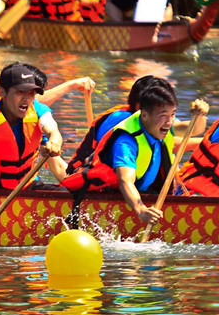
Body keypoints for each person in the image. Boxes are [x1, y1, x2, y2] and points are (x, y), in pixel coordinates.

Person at [61, 79, 209, 225]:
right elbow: (125, 180)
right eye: (164, 115)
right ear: (144, 113)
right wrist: (141, 209)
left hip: (143, 189)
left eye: (172, 114)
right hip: (109, 195)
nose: (170, 122)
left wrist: (199, 115)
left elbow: (193, 129)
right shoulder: (126, 139)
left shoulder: (158, 122)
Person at [0, 62, 64, 242]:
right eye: (20, 92)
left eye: (31, 93)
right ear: (2, 92)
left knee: (71, 192)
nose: (26, 99)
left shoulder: (37, 110)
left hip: (27, 185)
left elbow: (53, 130)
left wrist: (54, 141)